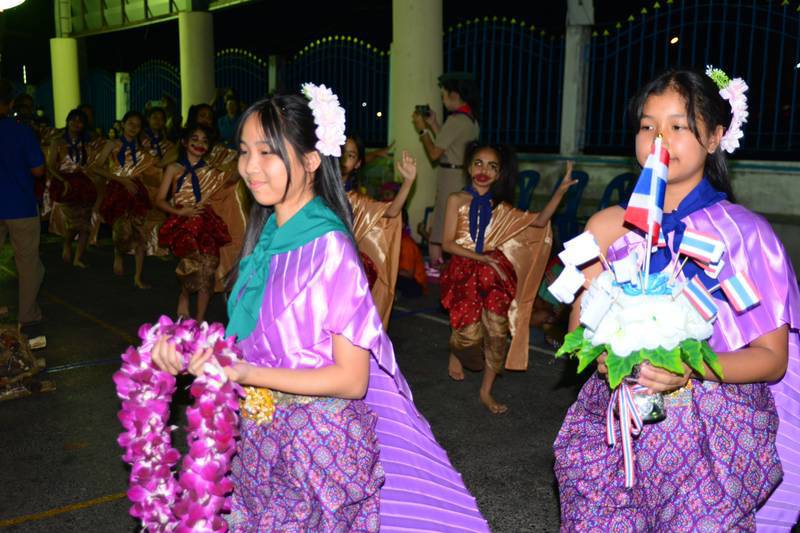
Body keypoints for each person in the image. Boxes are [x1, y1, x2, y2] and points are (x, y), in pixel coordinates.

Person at [152, 88, 489, 532]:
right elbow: (252, 341)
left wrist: (244, 372)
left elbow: (351, 379)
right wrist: (187, 350)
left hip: (315, 449)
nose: (250, 166)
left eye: (268, 152)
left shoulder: (328, 247)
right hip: (259, 435)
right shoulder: (268, 234)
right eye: (244, 151)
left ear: (311, 159)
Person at [554, 68, 800, 531]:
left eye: (678, 125)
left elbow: (772, 359)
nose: (659, 139)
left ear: (715, 137)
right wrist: (604, 355)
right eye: (647, 125)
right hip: (617, 420)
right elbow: (578, 331)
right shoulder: (606, 228)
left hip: (712, 429)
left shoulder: (746, 235)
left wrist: (689, 367)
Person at [440, 142, 576, 414]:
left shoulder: (501, 208)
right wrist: (480, 258)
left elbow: (538, 222)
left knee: (496, 330)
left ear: (499, 174)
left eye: (492, 166)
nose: (484, 171)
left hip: (494, 274)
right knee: (467, 334)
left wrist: (559, 192)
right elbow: (447, 244)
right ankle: (457, 350)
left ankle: (486, 391)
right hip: (464, 271)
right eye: (478, 163)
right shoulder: (456, 199)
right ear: (468, 167)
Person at [155, 124, 237, 321]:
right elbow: (159, 200)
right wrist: (179, 211)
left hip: (207, 223)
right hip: (183, 222)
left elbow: (233, 178)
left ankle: (200, 319)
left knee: (208, 269)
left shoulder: (212, 171)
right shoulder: (174, 168)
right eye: (195, 139)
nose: (200, 144)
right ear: (184, 142)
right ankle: (184, 294)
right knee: (191, 266)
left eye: (205, 141)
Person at [340, 135, 416, 326]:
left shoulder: (357, 201)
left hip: (340, 276)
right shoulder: (310, 192)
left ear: (357, 164)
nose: (343, 159)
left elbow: (391, 211)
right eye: (340, 152)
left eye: (350, 155)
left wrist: (408, 182)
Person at [413, 72, 480, 268]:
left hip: (451, 177)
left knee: (441, 223)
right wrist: (434, 123)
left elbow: (435, 152)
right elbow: (449, 144)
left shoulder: (456, 120)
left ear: (454, 95)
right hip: (460, 175)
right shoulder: (470, 119)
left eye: (443, 95)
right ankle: (448, 266)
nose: (442, 100)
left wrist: (423, 130)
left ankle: (435, 266)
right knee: (454, 222)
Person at [94, 111, 163, 288]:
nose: (134, 127)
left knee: (140, 234)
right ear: (123, 124)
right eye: (130, 123)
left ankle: (138, 277)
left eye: (137, 125)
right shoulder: (112, 144)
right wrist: (121, 180)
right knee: (122, 232)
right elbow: (96, 167)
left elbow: (154, 166)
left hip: (136, 192)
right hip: (118, 190)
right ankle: (118, 253)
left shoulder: (141, 148)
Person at [0, 79, 46, 331]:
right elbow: (38, 170)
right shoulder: (21, 131)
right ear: (9, 104)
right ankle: (27, 315)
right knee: (28, 264)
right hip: (20, 206)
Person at [46, 108, 104, 267]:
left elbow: (92, 163)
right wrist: (63, 181)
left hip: (84, 185)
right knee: (74, 224)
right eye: (73, 119)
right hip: (66, 186)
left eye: (80, 121)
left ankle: (78, 258)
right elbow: (50, 166)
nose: (76, 123)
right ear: (67, 121)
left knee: (85, 225)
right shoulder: (58, 141)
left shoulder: (86, 142)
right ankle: (67, 244)